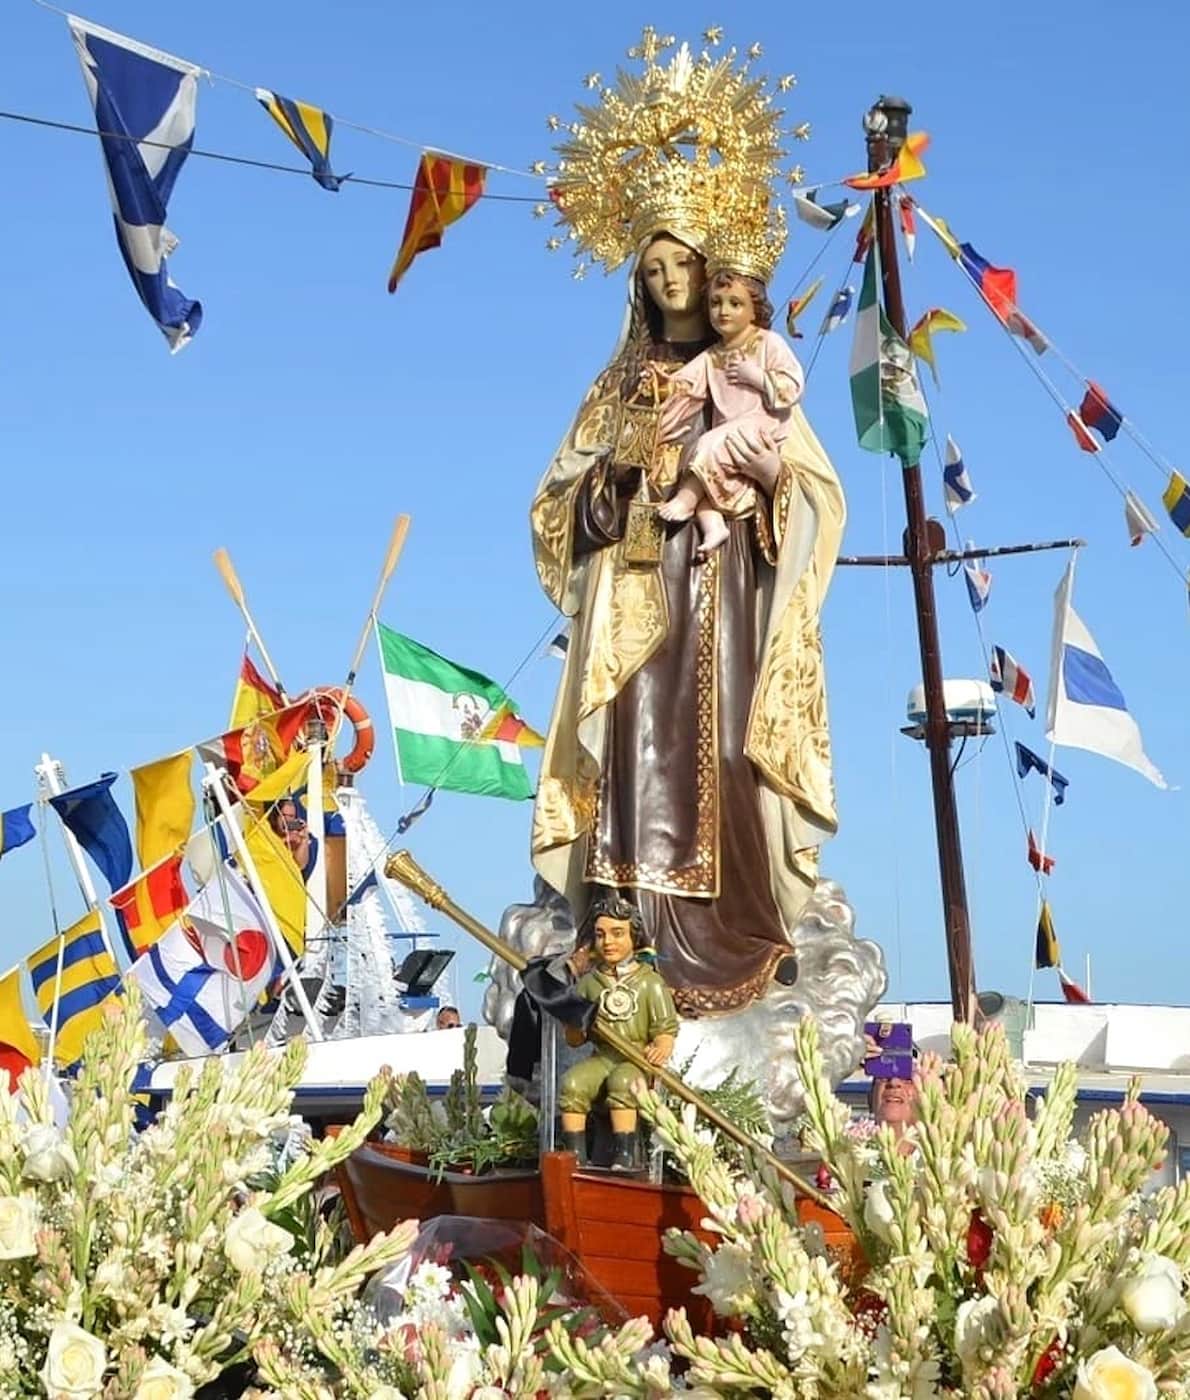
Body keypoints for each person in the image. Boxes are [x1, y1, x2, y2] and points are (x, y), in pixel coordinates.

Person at [530, 230, 845, 1018]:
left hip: (723, 585)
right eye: (653, 269)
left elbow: (809, 493)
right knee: (632, 758)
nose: (671, 281)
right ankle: (618, 928)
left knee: (729, 749)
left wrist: (765, 477)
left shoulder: (751, 366)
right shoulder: (621, 382)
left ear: (715, 275)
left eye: (684, 264)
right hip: (631, 594)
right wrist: (622, 472)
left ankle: (739, 927)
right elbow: (557, 507)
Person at [658, 270, 803, 558]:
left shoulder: (768, 343)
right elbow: (685, 385)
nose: (723, 311)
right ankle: (714, 529)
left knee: (706, 448)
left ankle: (685, 499)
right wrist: (661, 382)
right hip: (727, 435)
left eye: (734, 304)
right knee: (707, 483)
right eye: (715, 303)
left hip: (759, 430)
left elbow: (792, 387)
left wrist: (758, 377)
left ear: (754, 309)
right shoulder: (714, 355)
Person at [558, 895, 678, 1170]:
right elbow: (576, 1039)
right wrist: (573, 1027)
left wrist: (662, 1045)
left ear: (633, 938)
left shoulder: (649, 982)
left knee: (624, 1082)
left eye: (617, 934)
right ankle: (574, 1156)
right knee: (572, 1083)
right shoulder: (590, 983)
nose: (608, 942)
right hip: (603, 1057)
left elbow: (665, 1027)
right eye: (601, 935)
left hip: (636, 1058)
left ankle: (624, 1154)